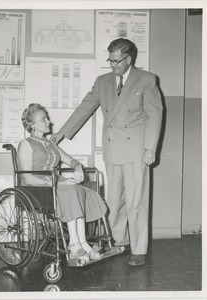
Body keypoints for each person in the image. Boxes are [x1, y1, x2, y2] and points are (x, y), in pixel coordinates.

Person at [50, 38, 163, 266]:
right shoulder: (102, 82)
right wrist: (62, 133)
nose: (112, 65)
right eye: (109, 60)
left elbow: (154, 116)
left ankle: (139, 249)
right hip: (113, 149)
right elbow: (85, 107)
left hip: (136, 150)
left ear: (128, 59)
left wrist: (151, 148)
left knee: (136, 201)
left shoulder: (146, 80)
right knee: (114, 199)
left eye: (116, 61)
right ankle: (120, 241)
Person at [18, 103, 107, 262]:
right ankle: (74, 245)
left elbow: (71, 161)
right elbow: (27, 178)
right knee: (71, 189)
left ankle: (83, 243)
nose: (48, 121)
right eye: (43, 119)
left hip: (56, 183)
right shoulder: (26, 144)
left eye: (47, 117)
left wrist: (78, 167)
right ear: (32, 125)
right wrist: (57, 183)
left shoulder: (50, 144)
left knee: (79, 190)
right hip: (37, 187)